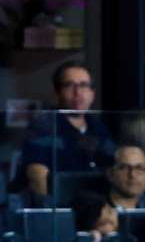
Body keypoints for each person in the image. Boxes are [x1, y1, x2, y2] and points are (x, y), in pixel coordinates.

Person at [19, 61, 116, 199]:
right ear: (57, 93)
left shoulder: (99, 128)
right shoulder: (42, 127)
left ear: (92, 94)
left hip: (96, 207)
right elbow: (37, 175)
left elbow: (113, 166)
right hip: (59, 209)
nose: (77, 92)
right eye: (69, 85)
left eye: (83, 85)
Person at [107, 144, 145, 210]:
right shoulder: (95, 213)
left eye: (139, 168)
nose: (132, 174)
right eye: (125, 168)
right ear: (110, 173)